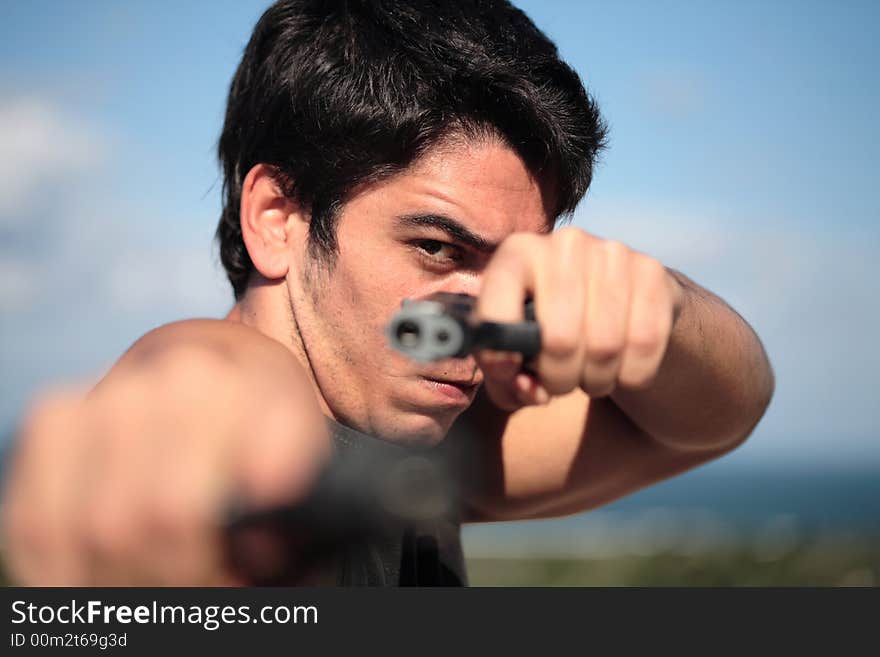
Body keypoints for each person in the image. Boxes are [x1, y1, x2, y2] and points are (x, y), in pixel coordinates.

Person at [0, 0, 774, 586]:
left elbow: (713, 417)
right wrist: (187, 389)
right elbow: (209, 382)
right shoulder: (259, 437)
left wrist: (660, 308)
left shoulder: (411, 445)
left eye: (515, 271)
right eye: (437, 248)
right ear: (279, 218)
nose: (481, 317)